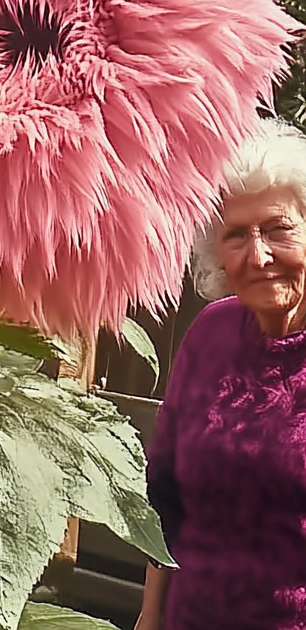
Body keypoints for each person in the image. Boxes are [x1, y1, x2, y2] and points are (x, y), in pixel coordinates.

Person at [136, 118, 306, 630]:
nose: (259, 256)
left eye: (278, 229)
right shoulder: (209, 333)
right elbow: (164, 493)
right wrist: (148, 615)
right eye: (236, 236)